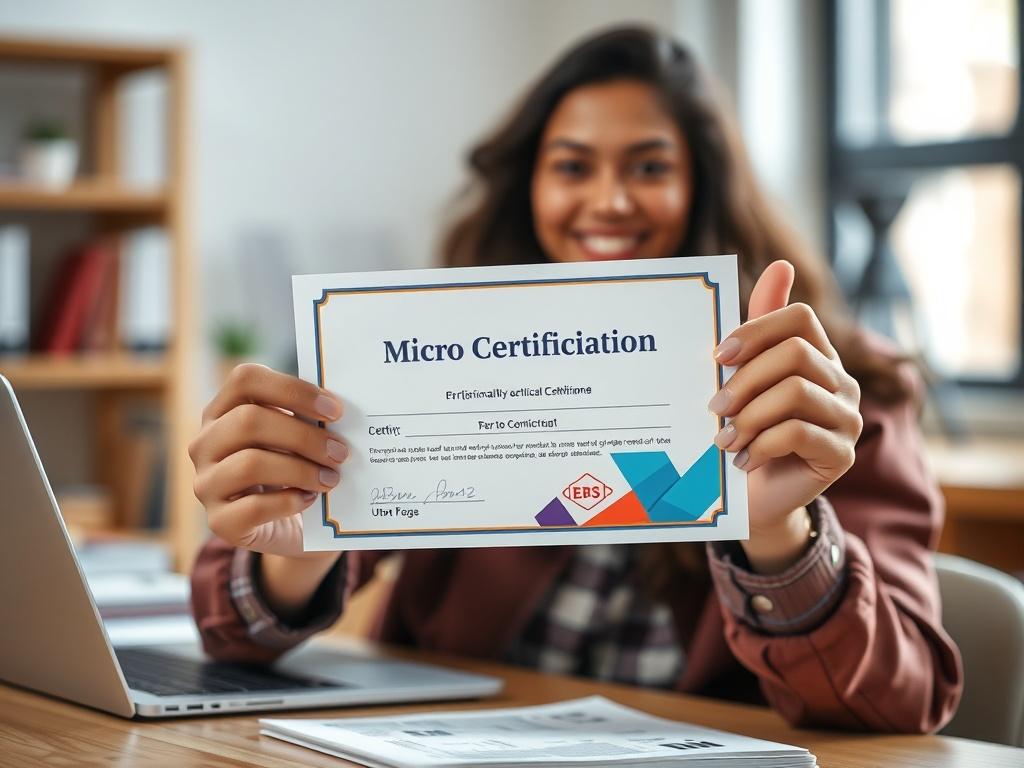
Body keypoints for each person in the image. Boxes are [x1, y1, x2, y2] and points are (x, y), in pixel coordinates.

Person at [189, 26, 962, 731]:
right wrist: (298, 549)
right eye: (572, 167)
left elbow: (903, 704)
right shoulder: (438, 354)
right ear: (529, 185)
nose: (609, 201)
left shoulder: (826, 390)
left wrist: (776, 536)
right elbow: (236, 640)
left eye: (650, 166)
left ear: (707, 185)